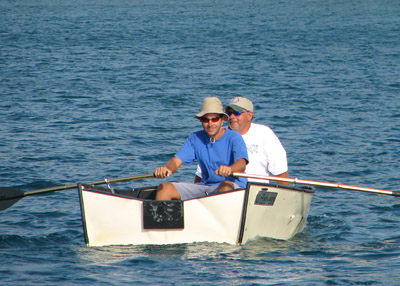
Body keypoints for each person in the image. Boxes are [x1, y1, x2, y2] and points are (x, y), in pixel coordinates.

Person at [154, 97, 249, 200]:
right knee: (165, 188)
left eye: (215, 119)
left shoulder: (234, 137)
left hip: (232, 186)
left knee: (225, 186)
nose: (210, 123)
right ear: (200, 120)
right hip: (205, 186)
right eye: (205, 119)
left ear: (223, 119)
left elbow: (241, 163)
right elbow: (176, 162)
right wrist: (167, 168)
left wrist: (230, 169)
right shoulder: (195, 138)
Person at [195, 96, 289, 185]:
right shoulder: (216, 134)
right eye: (229, 113)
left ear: (250, 115)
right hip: (219, 190)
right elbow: (200, 174)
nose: (231, 117)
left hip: (255, 192)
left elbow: (281, 173)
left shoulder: (265, 134)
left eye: (237, 113)